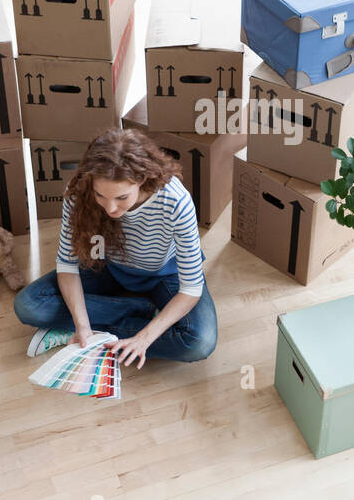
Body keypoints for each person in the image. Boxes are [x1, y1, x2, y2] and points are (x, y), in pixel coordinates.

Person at [14, 128, 217, 368]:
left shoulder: (174, 200)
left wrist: (144, 338)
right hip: (107, 267)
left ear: (141, 179)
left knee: (199, 341)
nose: (110, 208)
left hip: (165, 274)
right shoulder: (79, 192)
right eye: (101, 196)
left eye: (121, 198)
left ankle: (79, 326)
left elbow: (191, 287)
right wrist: (82, 325)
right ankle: (139, 310)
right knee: (28, 305)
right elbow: (67, 265)